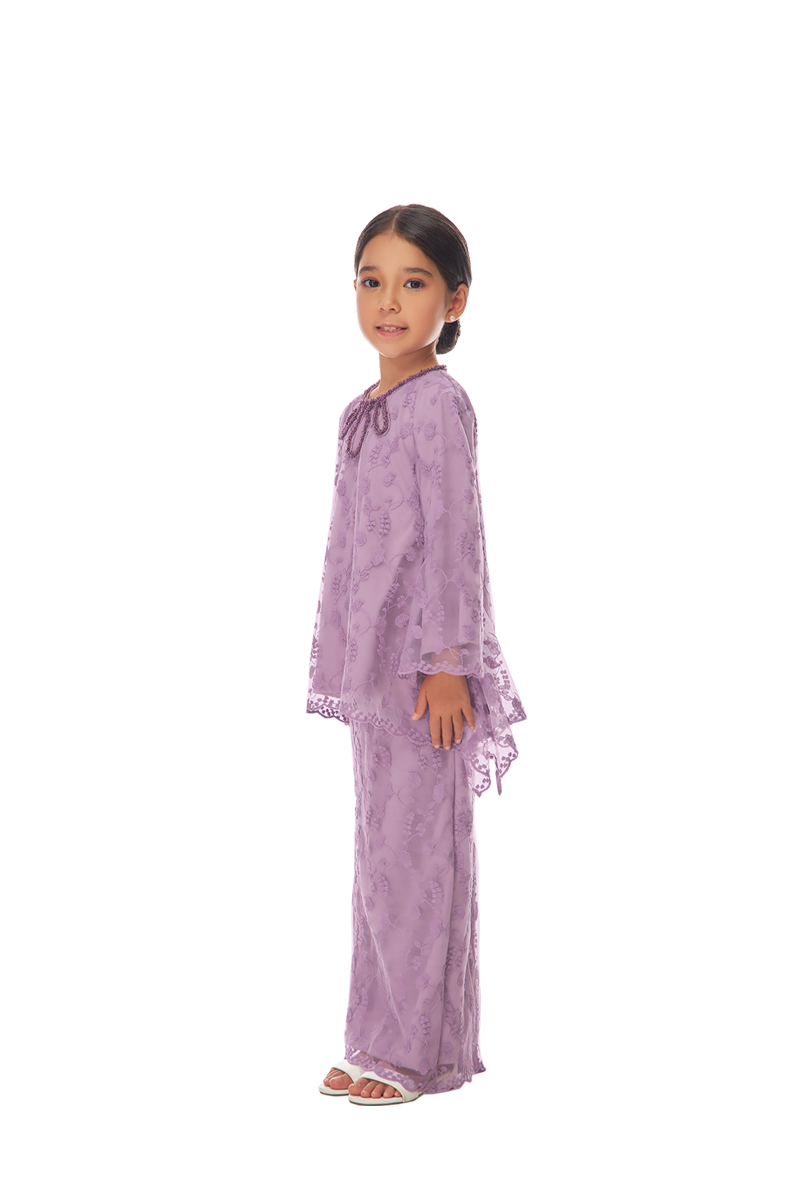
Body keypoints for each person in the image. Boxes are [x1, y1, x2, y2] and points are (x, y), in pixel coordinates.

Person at [307, 204, 526, 1106]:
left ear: (454, 300)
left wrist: (448, 662)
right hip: (375, 674)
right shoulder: (364, 410)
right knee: (379, 858)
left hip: (426, 671)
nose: (389, 302)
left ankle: (420, 1053)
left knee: (422, 855)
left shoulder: (440, 404)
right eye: (372, 281)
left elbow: (454, 539)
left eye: (413, 282)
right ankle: (372, 1036)